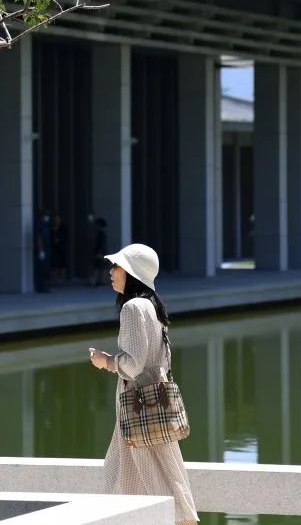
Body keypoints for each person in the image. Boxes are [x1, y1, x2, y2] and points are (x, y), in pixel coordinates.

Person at [88, 243, 198, 524]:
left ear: (132, 272)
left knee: (125, 475)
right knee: (157, 470)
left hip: (139, 406)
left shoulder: (133, 307)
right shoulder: (151, 305)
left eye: (117, 266)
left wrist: (105, 361)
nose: (111, 272)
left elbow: (133, 364)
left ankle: (181, 519)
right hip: (152, 402)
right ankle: (181, 517)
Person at [88, 217, 108, 286]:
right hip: (100, 252)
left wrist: (99, 253)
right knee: (100, 266)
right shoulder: (101, 233)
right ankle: (99, 281)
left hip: (100, 252)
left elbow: (102, 244)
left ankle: (96, 281)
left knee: (97, 266)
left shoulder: (101, 234)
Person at [50, 212, 67, 285]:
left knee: (62, 264)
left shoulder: (63, 227)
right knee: (54, 264)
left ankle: (62, 279)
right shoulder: (52, 227)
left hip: (61, 248)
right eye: (55, 219)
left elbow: (65, 237)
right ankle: (54, 279)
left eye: (58, 219)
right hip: (54, 249)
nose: (56, 220)